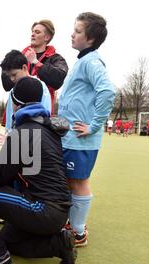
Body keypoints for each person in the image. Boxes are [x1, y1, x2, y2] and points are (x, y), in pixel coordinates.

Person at [0, 76, 76, 264]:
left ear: (16, 103)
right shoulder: (48, 129)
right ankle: (58, 244)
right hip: (58, 212)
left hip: (42, 209)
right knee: (5, 240)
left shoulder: (24, 131)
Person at [58, 12, 115, 247]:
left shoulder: (91, 61)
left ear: (90, 39)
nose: (72, 34)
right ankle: (72, 224)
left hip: (80, 139)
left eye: (78, 31)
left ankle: (78, 232)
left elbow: (107, 91)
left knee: (79, 182)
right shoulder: (83, 60)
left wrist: (93, 125)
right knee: (72, 181)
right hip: (71, 137)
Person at [22, 19, 68, 114]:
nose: (33, 34)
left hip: (41, 114)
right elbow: (7, 83)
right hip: (18, 112)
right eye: (32, 32)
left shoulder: (56, 59)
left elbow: (58, 79)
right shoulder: (21, 56)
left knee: (34, 130)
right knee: (17, 130)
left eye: (37, 32)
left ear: (47, 37)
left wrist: (35, 62)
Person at [0, 50, 51, 133]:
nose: (12, 79)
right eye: (9, 76)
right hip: (16, 140)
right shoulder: (13, 91)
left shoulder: (41, 87)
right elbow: (10, 121)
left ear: (24, 67)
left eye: (14, 74)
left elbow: (45, 117)